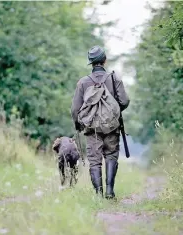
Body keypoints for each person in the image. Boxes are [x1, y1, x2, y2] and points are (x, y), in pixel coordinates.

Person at [70, 45, 130, 199]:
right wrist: (113, 113)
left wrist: (79, 124)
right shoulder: (114, 78)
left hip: (91, 129)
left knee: (95, 161)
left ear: (91, 63)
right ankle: (110, 192)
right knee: (111, 156)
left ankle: (98, 194)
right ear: (104, 60)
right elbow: (124, 101)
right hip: (112, 127)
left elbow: (75, 110)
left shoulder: (83, 82)